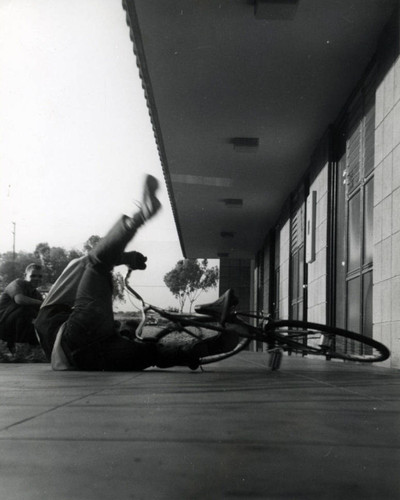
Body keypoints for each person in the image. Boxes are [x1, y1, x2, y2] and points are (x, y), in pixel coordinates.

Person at [35, 175, 237, 371]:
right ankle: (139, 217)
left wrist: (126, 331)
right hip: (76, 337)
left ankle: (211, 347)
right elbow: (90, 262)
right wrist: (125, 258)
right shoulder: (51, 306)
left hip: (89, 358)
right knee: (96, 265)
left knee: (152, 352)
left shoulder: (47, 323)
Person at [0, 263, 44, 353]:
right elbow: (19, 299)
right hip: (3, 323)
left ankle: (31, 346)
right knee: (25, 310)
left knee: (41, 317)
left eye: (40, 276)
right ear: (25, 276)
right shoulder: (16, 283)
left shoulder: (37, 294)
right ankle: (15, 346)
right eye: (33, 275)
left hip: (18, 324)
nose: (37, 279)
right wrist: (44, 303)